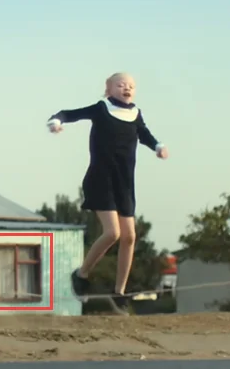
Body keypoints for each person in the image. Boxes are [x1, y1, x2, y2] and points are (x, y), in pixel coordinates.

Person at [47, 72, 168, 312]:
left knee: (129, 237)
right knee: (113, 233)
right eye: (121, 84)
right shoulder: (102, 109)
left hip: (125, 183)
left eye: (131, 85)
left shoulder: (135, 114)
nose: (127, 88)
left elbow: (144, 134)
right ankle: (81, 275)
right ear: (108, 89)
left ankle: (119, 292)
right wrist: (56, 121)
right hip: (100, 180)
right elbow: (69, 114)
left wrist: (158, 146)